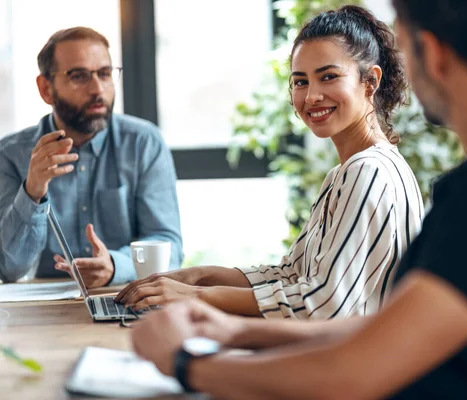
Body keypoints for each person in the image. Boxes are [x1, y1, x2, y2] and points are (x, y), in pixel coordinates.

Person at [131, 1, 467, 399]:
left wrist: (184, 365)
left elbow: (354, 371)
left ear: (431, 53)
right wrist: (238, 330)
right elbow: (394, 328)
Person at [117, 5, 424, 319]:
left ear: (370, 81)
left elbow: (323, 302)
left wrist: (196, 296)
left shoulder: (367, 172)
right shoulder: (347, 172)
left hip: (354, 364)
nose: (312, 96)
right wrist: (197, 276)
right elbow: (293, 273)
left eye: (328, 77)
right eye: (301, 81)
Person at [0, 27, 183, 287]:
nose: (97, 88)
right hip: (43, 315)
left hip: (126, 298)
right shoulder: (10, 154)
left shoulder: (143, 143)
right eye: (79, 76)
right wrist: (32, 192)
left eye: (105, 73)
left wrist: (115, 266)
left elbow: (169, 248)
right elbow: (10, 269)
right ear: (46, 89)